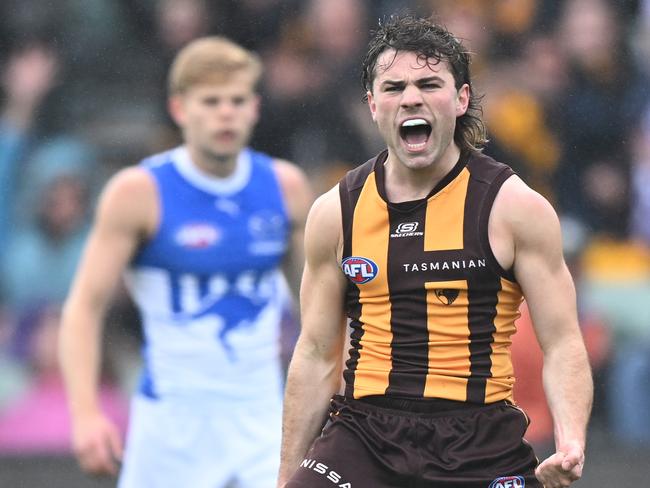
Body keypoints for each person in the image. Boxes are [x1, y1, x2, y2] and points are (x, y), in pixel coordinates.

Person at [278, 15, 592, 488]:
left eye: (429, 83)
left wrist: (571, 443)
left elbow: (564, 341)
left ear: (461, 99)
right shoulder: (335, 211)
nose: (410, 98)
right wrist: (286, 477)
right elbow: (317, 352)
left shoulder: (513, 206)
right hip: (364, 434)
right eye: (393, 87)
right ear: (372, 105)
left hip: (478, 439)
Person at [58, 36, 313, 488]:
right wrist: (85, 414)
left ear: (254, 108)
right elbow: (83, 308)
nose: (225, 113)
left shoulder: (285, 187)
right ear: (180, 109)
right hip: (171, 426)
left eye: (236, 101)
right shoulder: (138, 193)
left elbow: (317, 313)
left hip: (263, 419)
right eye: (210, 101)